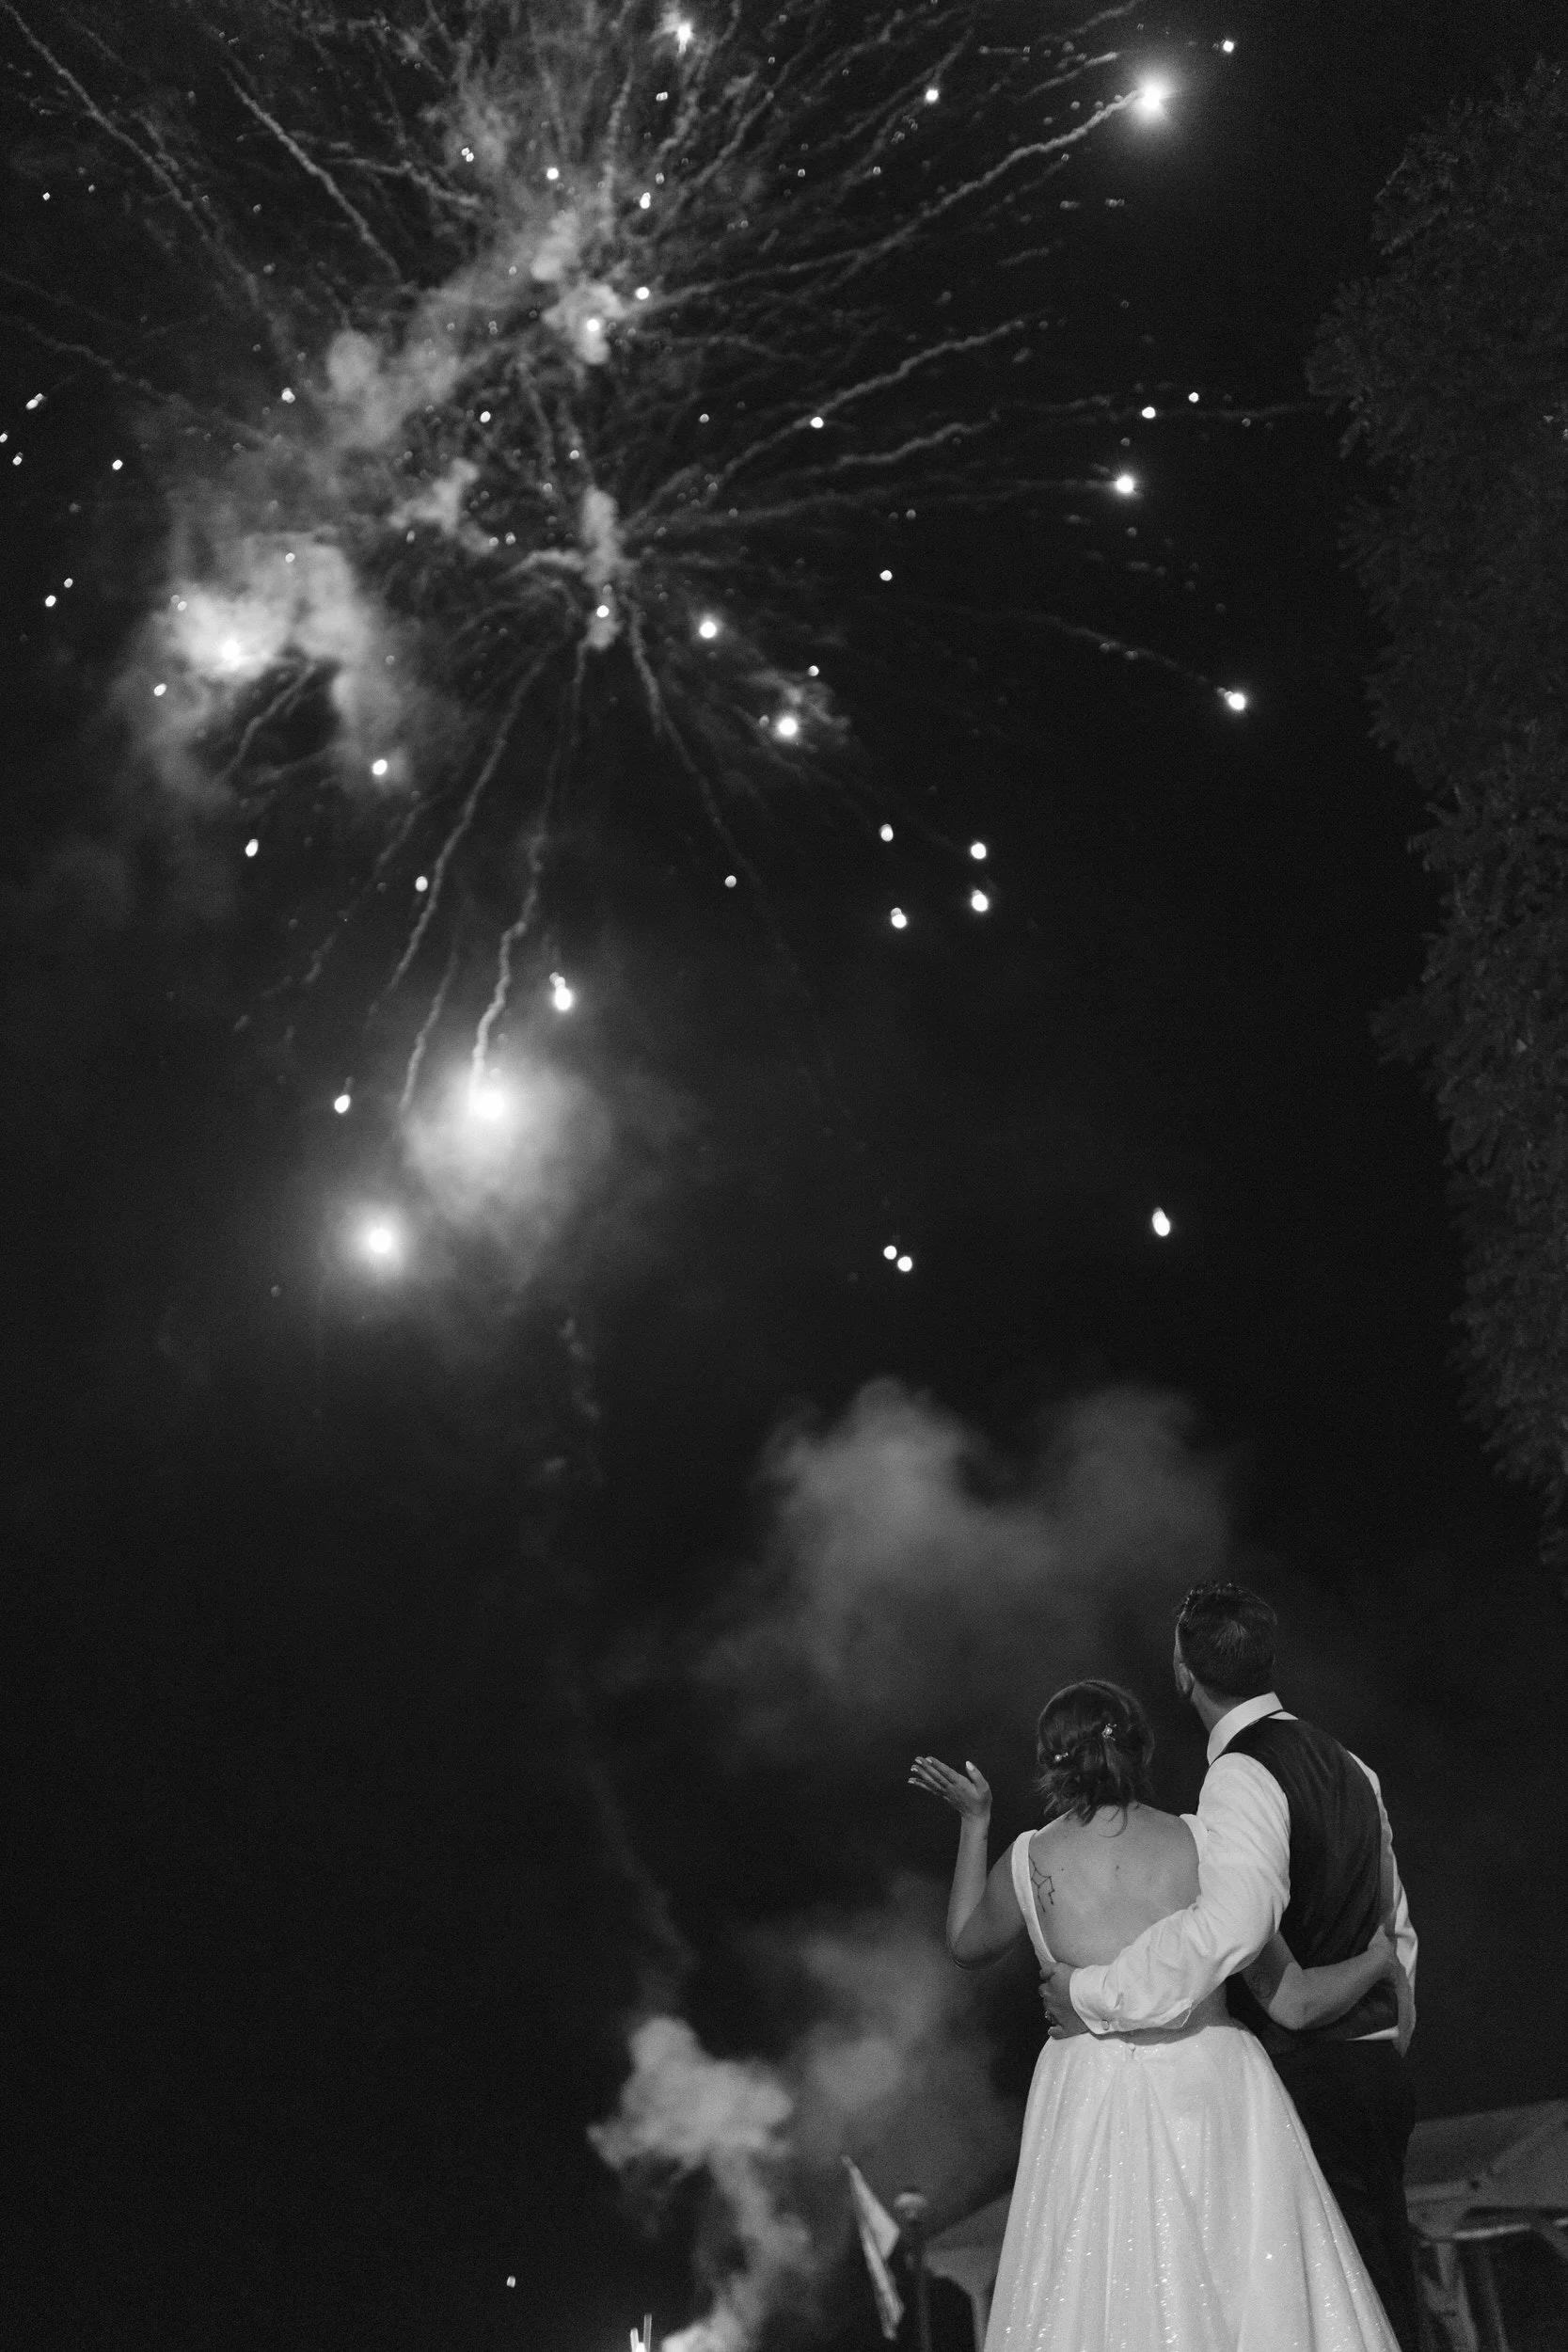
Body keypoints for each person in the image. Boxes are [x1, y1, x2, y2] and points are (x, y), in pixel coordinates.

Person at [911, 1677, 1402, 2351]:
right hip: (1211, 2084)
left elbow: (965, 1941)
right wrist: (1380, 1960)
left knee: (1096, 2288)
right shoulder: (1202, 1846)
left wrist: (974, 1823)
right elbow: (1290, 1999)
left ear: (1049, 1759)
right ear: (1138, 1748)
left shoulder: (1029, 1859)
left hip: (1087, 2091)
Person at [1037, 1585, 1420, 2352]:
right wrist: (1398, 2011)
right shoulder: (1349, 1764)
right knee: (1380, 2294)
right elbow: (1393, 1920)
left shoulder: (1243, 1774)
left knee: (1333, 2309)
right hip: (1373, 2069)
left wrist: (1090, 1990)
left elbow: (1230, 1930)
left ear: (1183, 1671)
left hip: (1308, 2071)